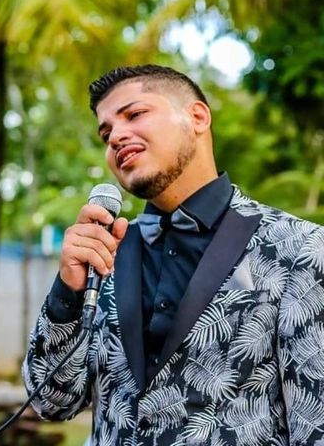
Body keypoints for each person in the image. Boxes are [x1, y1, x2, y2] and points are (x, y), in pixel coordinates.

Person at [23, 64, 324, 445]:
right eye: (106, 132)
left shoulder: (301, 249)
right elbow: (50, 402)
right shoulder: (104, 253)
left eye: (134, 114)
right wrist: (67, 293)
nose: (116, 136)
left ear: (197, 117)